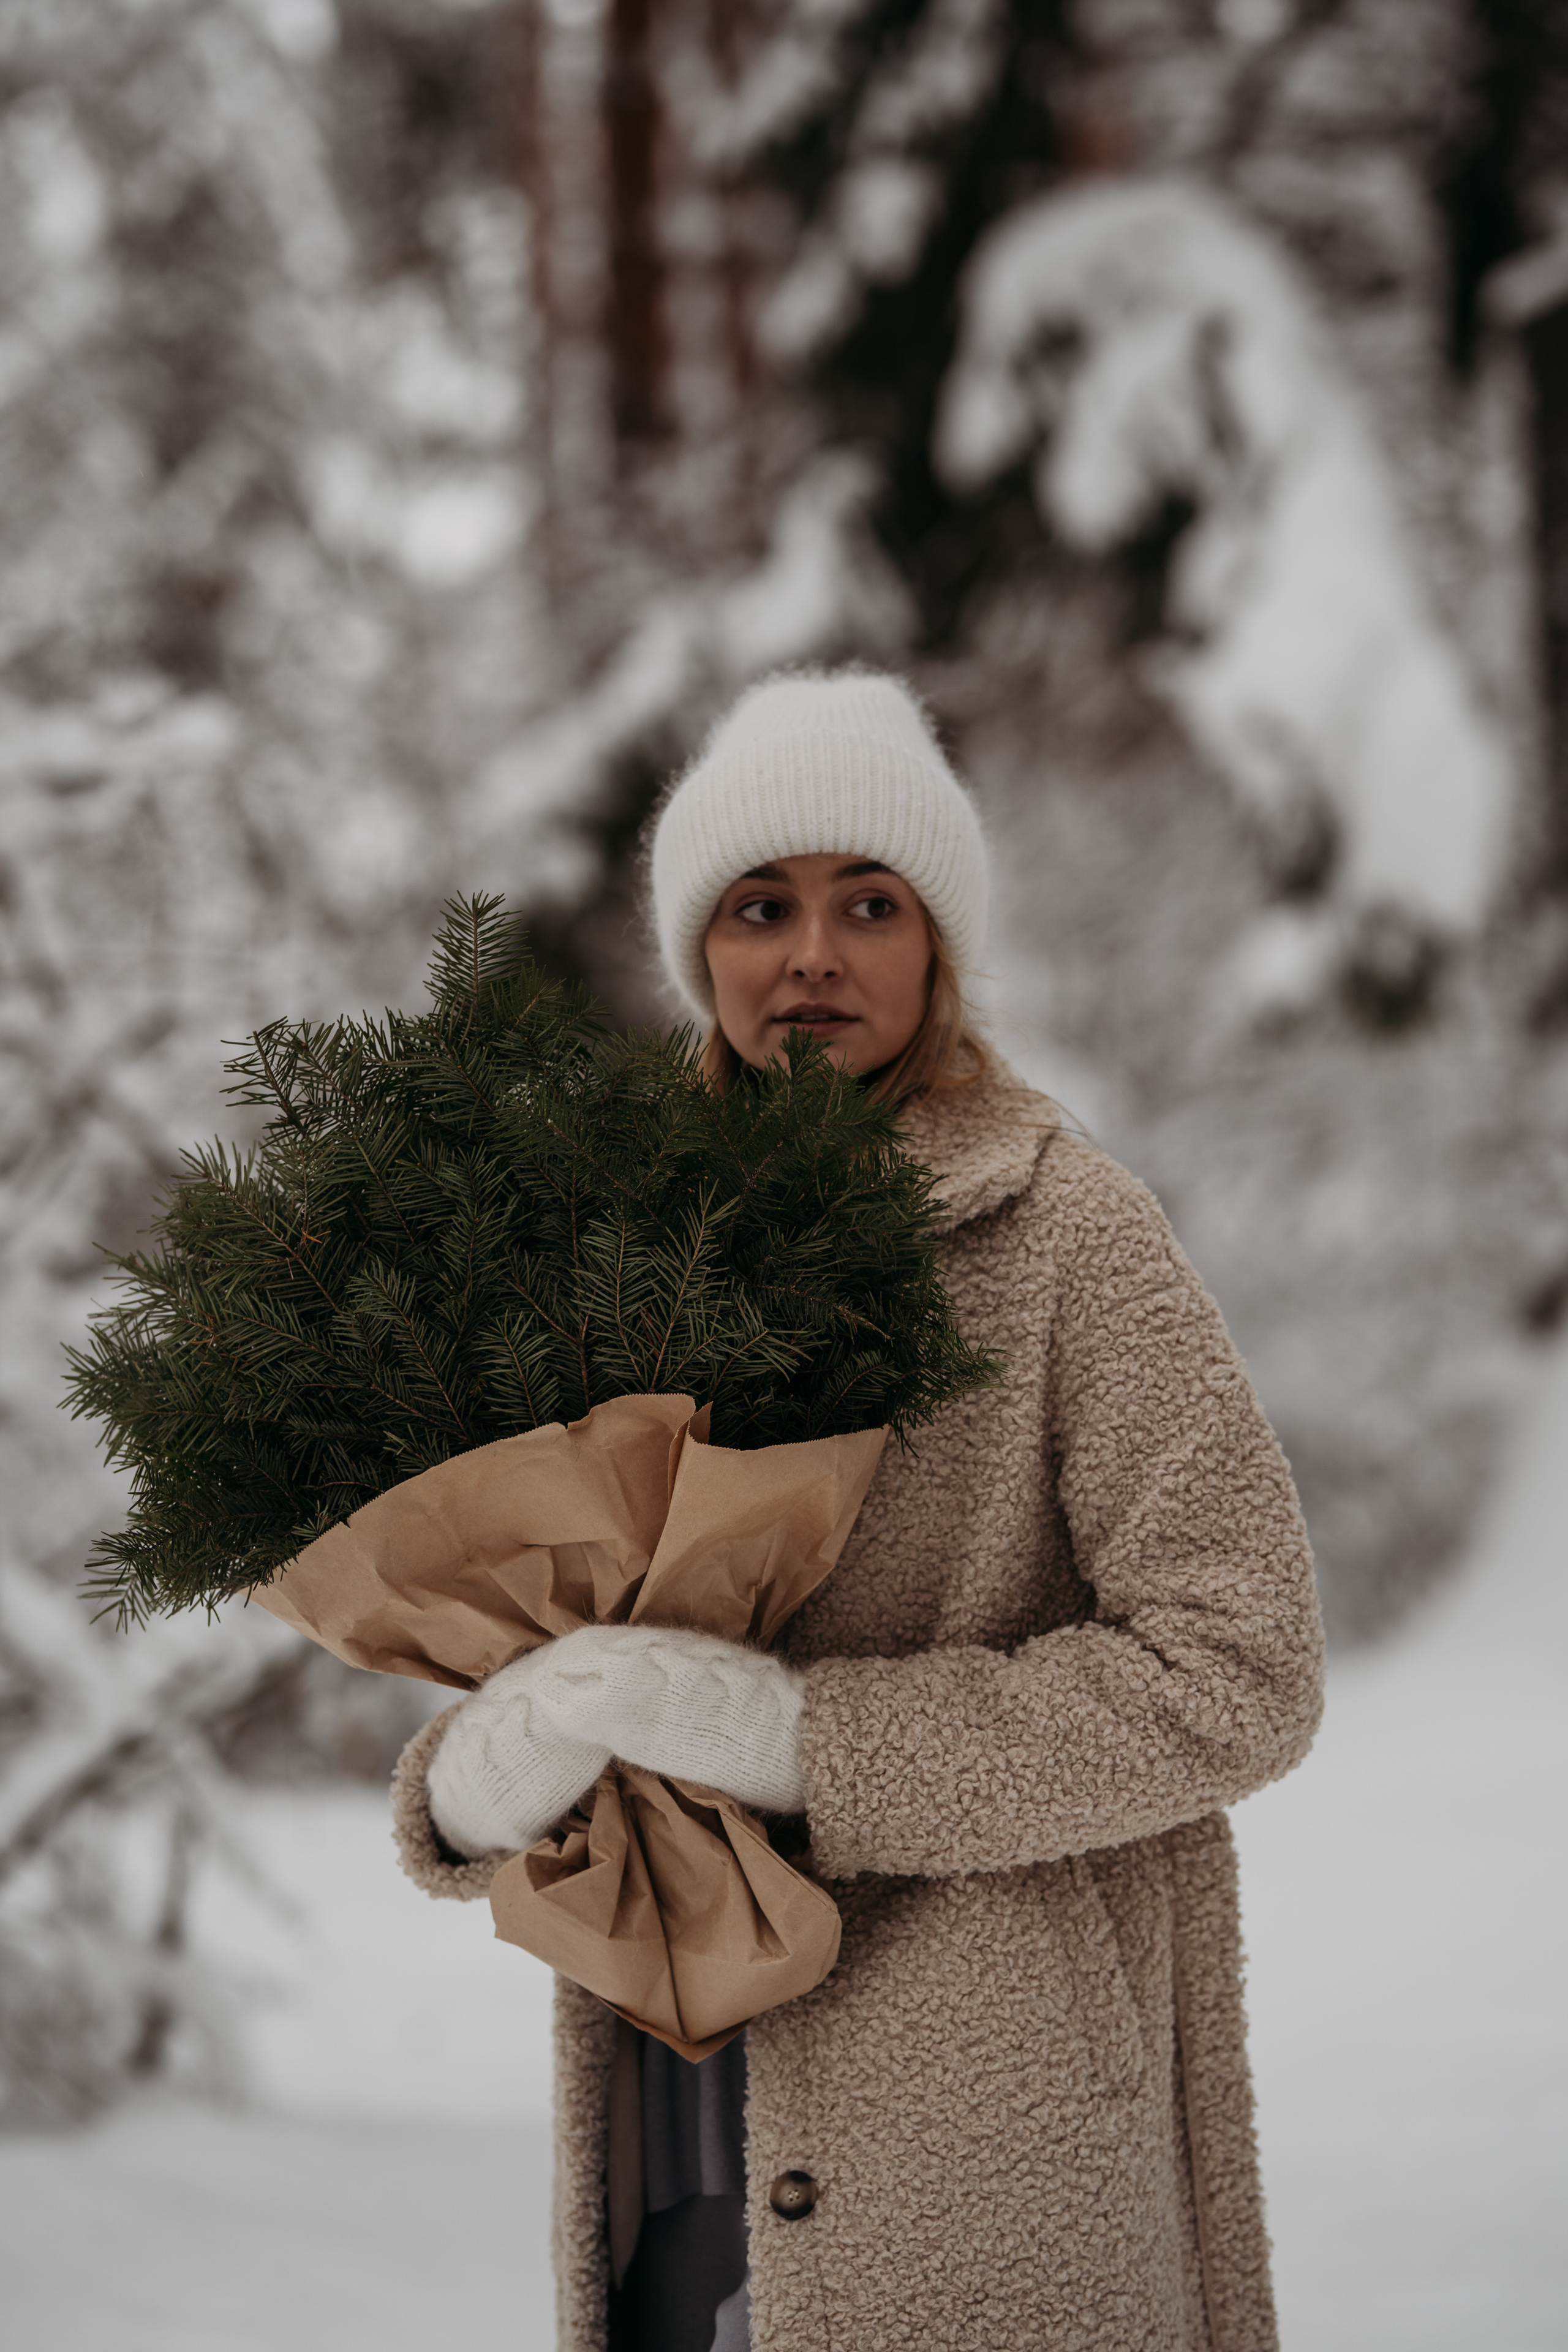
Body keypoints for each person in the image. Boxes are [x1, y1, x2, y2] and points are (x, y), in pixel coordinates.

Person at [390, 669, 1325, 2352]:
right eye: (762, 906)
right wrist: (475, 1781)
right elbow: (538, 1627)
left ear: (936, 946)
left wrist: (815, 1745)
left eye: (866, 904)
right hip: (679, 2115)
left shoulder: (1069, 1239)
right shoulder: (609, 1250)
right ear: (704, 952)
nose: (811, 954)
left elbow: (1242, 1668)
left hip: (994, 2125)